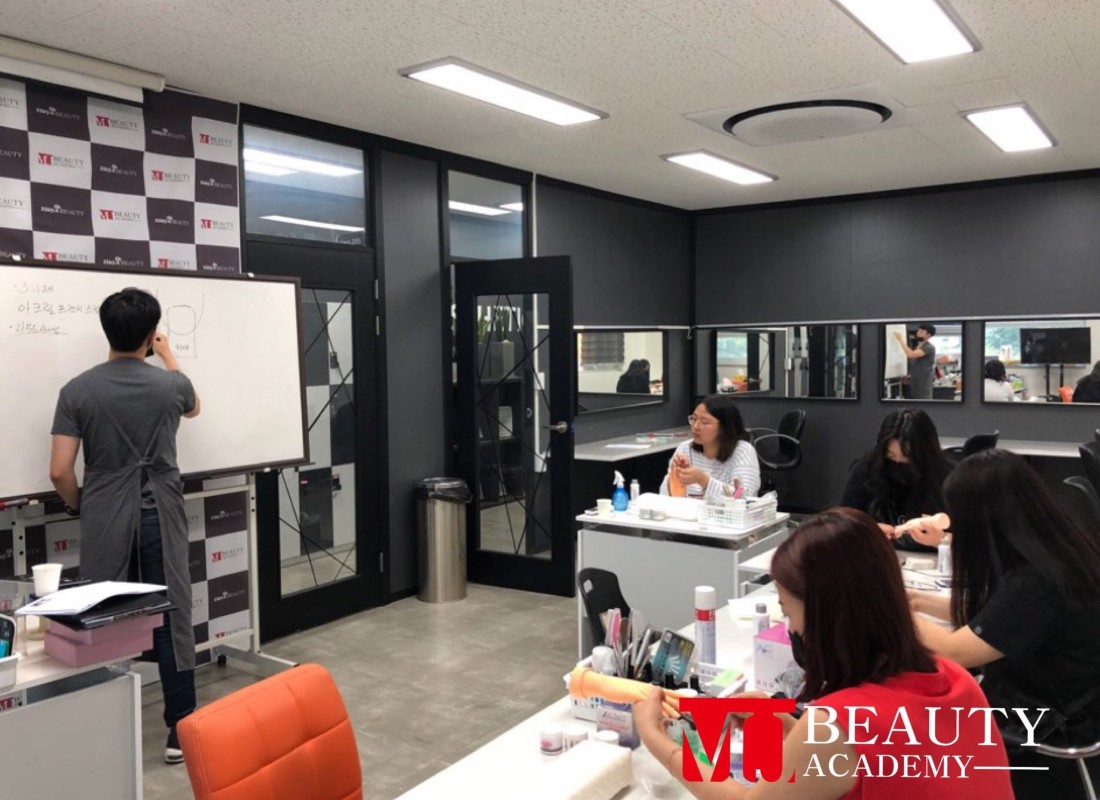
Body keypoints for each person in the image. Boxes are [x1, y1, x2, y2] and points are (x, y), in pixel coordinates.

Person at [634, 508, 1012, 799]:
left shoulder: (839, 724)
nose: (790, 628)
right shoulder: (958, 680)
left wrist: (657, 740)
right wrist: (786, 724)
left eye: (788, 612)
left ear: (826, 617)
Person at [49, 288, 201, 765]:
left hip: (105, 516)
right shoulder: (171, 386)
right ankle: (181, 731)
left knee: (103, 621)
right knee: (170, 617)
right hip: (161, 516)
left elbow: (59, 471)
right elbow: (194, 405)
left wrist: (82, 505)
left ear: (106, 331)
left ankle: (102, 733)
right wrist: (168, 354)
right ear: (150, 334)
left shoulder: (77, 390)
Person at [909, 450, 1100, 799]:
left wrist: (890, 609)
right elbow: (997, 617)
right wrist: (918, 601)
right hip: (1063, 697)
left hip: (1052, 719)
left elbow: (957, 651)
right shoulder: (1054, 550)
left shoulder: (1035, 584)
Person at [840, 408, 952, 551]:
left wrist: (941, 539)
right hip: (881, 555)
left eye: (907, 457)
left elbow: (972, 540)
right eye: (890, 456)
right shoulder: (867, 471)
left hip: (935, 559)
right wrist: (868, 531)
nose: (898, 463)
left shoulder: (948, 477)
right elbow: (844, 524)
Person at [660, 394, 760, 498]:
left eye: (704, 422)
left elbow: (743, 497)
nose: (695, 426)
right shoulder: (685, 448)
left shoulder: (743, 451)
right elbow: (664, 496)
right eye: (694, 419)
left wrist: (704, 480)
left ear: (724, 427)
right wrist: (675, 476)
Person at [893, 323, 937, 400]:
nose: (918, 333)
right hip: (914, 384)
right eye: (918, 330)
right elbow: (917, 364)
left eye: (922, 331)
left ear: (928, 335)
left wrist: (900, 340)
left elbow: (911, 354)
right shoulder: (917, 346)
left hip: (923, 387)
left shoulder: (929, 347)